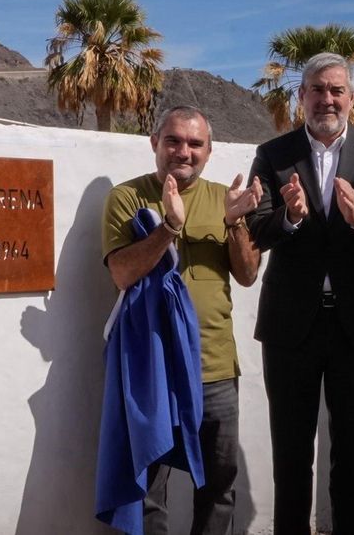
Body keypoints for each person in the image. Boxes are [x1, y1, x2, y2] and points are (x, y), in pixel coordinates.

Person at [246, 52, 354, 535]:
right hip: (290, 326)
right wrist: (291, 217)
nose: (327, 99)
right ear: (301, 97)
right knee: (291, 452)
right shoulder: (273, 154)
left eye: (337, 90)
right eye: (317, 89)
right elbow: (257, 230)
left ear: (352, 97)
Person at [100, 105, 261, 535]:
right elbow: (122, 273)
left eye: (195, 144)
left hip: (215, 369)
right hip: (154, 370)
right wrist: (169, 227)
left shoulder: (223, 198)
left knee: (219, 486)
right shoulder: (127, 197)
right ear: (155, 143)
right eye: (173, 140)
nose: (183, 151)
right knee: (150, 490)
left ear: (209, 151)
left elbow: (247, 275)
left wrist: (235, 223)